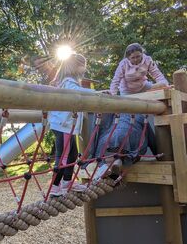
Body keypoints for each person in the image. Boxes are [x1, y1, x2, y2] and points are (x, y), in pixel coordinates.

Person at [48, 53, 95, 196]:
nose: (84, 69)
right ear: (75, 66)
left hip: (67, 125)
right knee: (63, 156)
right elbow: (76, 93)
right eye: (83, 65)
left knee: (72, 154)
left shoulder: (67, 81)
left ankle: (67, 183)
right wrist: (96, 93)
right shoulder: (67, 81)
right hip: (63, 124)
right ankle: (54, 187)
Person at [90, 113, 157, 180]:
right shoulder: (140, 116)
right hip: (132, 140)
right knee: (133, 151)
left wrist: (92, 157)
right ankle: (122, 159)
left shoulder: (111, 115)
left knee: (103, 148)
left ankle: (109, 163)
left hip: (109, 140)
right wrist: (157, 154)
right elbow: (152, 139)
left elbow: (95, 137)